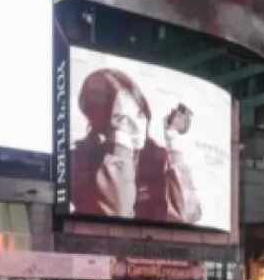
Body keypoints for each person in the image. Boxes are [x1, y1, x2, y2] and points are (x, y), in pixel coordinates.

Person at [70, 67, 202, 224]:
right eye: (123, 119)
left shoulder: (155, 157)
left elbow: (190, 215)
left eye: (140, 114)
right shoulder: (78, 161)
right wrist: (121, 147)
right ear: (101, 124)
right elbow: (116, 220)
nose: (138, 127)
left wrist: (173, 144)